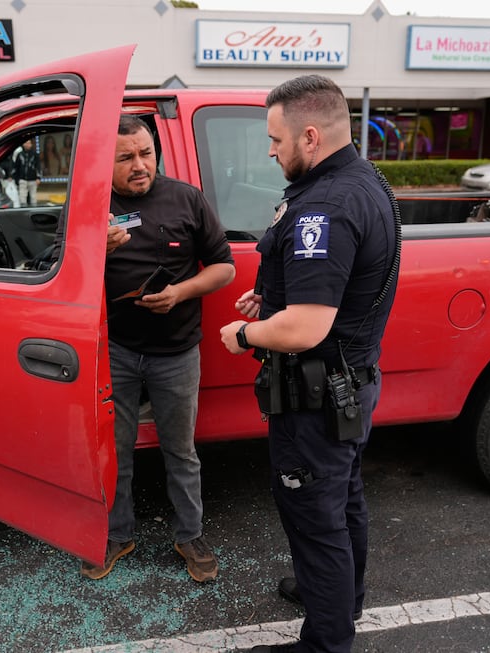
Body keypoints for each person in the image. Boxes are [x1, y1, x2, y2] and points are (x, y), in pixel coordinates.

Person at [220, 75, 399, 653]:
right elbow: (326, 291)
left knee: (315, 518)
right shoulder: (361, 179)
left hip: (317, 397)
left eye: (276, 139)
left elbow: (306, 326)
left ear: (311, 136)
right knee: (342, 500)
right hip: (348, 386)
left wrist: (246, 332)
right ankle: (340, 597)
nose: (270, 150)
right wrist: (270, 299)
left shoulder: (325, 205)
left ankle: (326, 641)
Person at [80, 115, 235, 583]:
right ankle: (117, 533)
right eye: (125, 157)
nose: (139, 165)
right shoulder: (91, 206)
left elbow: (223, 268)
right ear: (104, 162)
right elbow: (62, 275)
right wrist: (95, 251)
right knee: (116, 450)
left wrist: (181, 292)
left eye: (145, 153)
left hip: (176, 351)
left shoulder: (185, 198)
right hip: (117, 350)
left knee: (180, 451)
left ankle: (189, 534)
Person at [11, 139, 41, 206]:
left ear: (31, 144)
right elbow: (16, 167)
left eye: (29, 143)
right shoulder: (20, 154)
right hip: (22, 179)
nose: (27, 145)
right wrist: (16, 179)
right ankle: (23, 212)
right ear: (23, 144)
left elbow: (38, 166)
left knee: (33, 197)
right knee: (22, 197)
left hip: (33, 179)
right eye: (26, 143)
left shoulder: (35, 154)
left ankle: (34, 211)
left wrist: (38, 177)